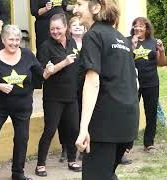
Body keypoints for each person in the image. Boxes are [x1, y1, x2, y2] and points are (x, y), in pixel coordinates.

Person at [0, 25, 54, 180]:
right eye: (11, 39)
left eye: (17, 39)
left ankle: (18, 173)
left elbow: (41, 76)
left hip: (23, 106)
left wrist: (48, 71)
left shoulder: (28, 55)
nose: (15, 43)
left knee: (22, 138)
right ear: (3, 40)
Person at [73, 0, 139, 179]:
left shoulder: (93, 35)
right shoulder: (120, 38)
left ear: (95, 8)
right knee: (107, 175)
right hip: (126, 121)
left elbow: (92, 81)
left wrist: (83, 127)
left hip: (104, 125)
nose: (75, 9)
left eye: (79, 4)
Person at [35, 14, 81, 177]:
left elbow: (78, 64)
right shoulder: (45, 46)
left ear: (66, 27)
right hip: (53, 97)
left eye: (58, 28)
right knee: (50, 130)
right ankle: (40, 164)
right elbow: (42, 73)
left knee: (73, 129)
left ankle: (71, 159)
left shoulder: (72, 42)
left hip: (72, 95)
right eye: (52, 29)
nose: (55, 31)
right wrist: (63, 63)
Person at [129, 17, 166, 153]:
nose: (138, 28)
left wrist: (161, 50)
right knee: (131, 112)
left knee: (151, 113)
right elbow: (123, 60)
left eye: (141, 26)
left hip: (151, 82)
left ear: (147, 28)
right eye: (135, 26)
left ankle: (148, 143)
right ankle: (127, 144)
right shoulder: (128, 40)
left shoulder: (154, 42)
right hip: (132, 82)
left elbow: (162, 63)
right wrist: (131, 46)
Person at [58, 16, 86, 163]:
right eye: (74, 24)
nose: (77, 26)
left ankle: (81, 148)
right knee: (64, 118)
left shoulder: (89, 43)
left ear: (85, 28)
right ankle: (65, 148)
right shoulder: (65, 43)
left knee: (82, 116)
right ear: (68, 28)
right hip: (67, 86)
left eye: (80, 24)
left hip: (85, 85)